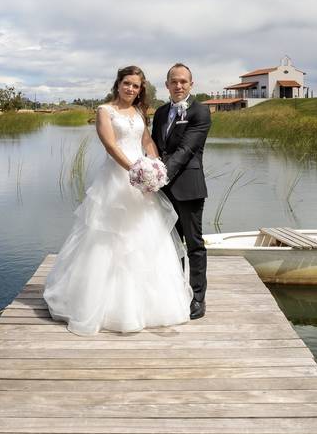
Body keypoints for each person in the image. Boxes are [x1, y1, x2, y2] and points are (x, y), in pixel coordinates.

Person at [43, 65, 193, 336]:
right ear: (118, 84)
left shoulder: (138, 112)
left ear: (140, 90)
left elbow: (147, 142)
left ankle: (148, 306)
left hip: (141, 183)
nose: (131, 89)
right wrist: (135, 170)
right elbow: (111, 146)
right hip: (116, 181)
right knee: (108, 240)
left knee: (144, 238)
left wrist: (155, 166)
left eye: (136, 86)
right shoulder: (105, 111)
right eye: (127, 84)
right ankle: (101, 305)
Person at [152, 63, 212, 319]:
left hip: (188, 188)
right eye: (174, 81)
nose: (178, 86)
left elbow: (186, 151)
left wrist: (158, 176)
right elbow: (154, 147)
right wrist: (147, 169)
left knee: (194, 244)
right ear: (166, 85)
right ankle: (176, 292)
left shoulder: (201, 112)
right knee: (170, 245)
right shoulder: (160, 112)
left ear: (191, 84)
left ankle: (198, 298)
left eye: (183, 82)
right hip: (162, 192)